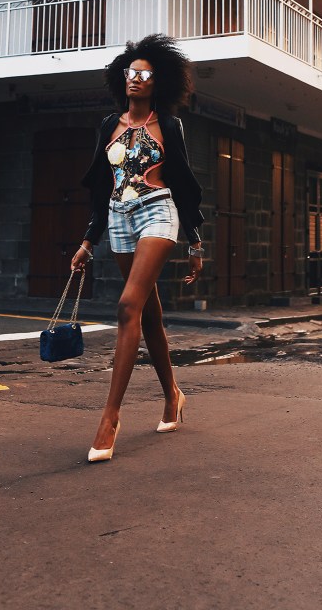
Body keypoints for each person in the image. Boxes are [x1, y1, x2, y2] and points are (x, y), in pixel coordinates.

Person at [71, 35, 204, 463]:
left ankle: (110, 417)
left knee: (128, 305)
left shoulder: (169, 126)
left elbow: (183, 182)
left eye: (146, 74)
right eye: (131, 72)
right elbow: (100, 188)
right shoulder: (108, 125)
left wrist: (195, 240)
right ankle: (173, 395)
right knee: (148, 313)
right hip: (118, 218)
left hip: (157, 212)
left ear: (158, 82)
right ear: (122, 77)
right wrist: (88, 241)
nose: (137, 78)